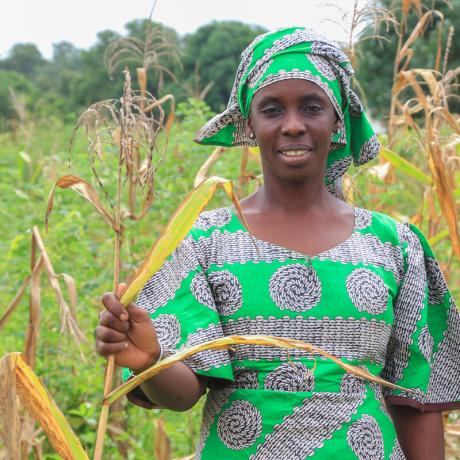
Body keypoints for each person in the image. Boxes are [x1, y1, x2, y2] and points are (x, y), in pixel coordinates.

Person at [96, 27, 460, 459]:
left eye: (312, 107)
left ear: (337, 117)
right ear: (249, 123)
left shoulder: (395, 246)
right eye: (272, 110)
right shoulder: (204, 241)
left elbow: (415, 403)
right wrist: (151, 360)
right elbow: (184, 393)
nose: (292, 125)